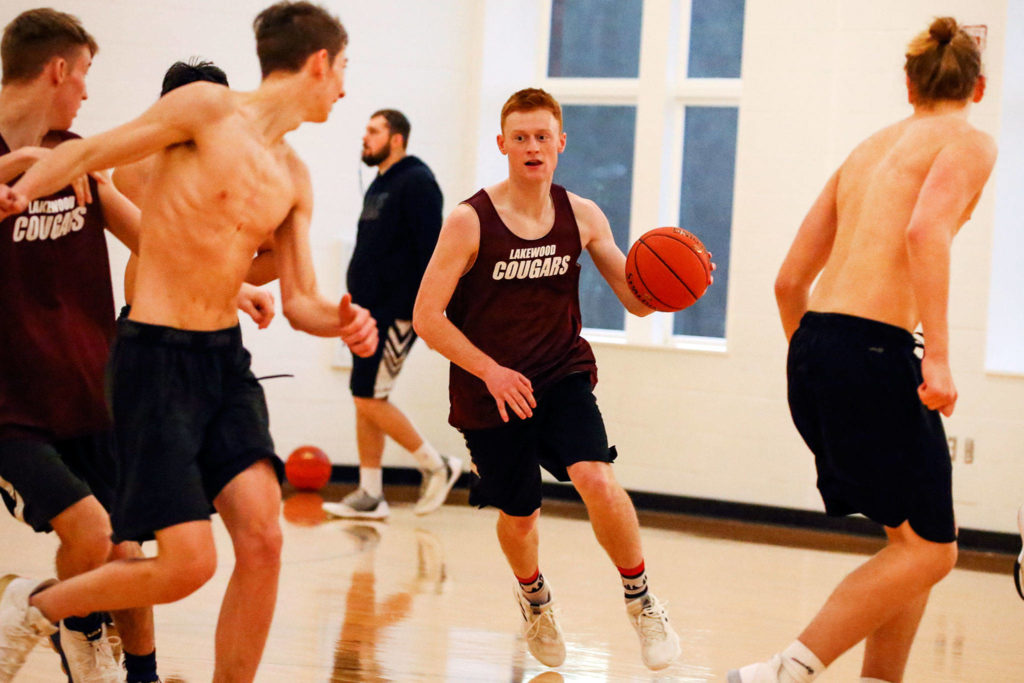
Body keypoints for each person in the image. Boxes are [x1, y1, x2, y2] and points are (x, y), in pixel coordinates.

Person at [0, 3, 376, 681]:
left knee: (263, 536)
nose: (344, 88)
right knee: (188, 564)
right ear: (318, 62)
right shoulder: (205, 108)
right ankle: (38, 603)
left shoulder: (295, 178)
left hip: (224, 363)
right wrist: (24, 185)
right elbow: (92, 153)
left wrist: (343, 320)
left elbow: (300, 301)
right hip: (155, 358)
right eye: (343, 69)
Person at [729, 17, 996, 683]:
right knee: (933, 552)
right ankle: (782, 671)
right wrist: (935, 357)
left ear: (908, 85)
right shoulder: (969, 141)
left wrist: (817, 363)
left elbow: (789, 280)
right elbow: (926, 231)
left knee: (909, 543)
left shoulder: (868, 147)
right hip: (873, 351)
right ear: (980, 88)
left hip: (817, 342)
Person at [413, 87, 687, 671]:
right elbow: (425, 317)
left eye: (542, 137)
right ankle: (535, 598)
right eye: (520, 137)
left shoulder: (582, 215)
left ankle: (641, 600)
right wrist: (489, 369)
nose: (532, 147)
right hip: (490, 388)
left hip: (560, 372)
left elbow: (636, 302)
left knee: (597, 478)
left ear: (560, 143)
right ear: (502, 145)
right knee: (521, 517)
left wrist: (679, 282)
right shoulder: (470, 221)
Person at [0, 9, 158, 682]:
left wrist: (239, 275)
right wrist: (17, 170)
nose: (88, 91)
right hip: (12, 403)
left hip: (91, 387)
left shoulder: (78, 153)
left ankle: (140, 671)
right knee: (91, 532)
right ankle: (40, 606)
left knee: (128, 550)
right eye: (85, 73)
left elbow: (152, 239)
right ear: (58, 70)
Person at [323, 108, 459, 520]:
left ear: (396, 138)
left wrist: (420, 313)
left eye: (374, 130)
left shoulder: (418, 183)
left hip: (396, 314)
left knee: (369, 396)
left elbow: (432, 254)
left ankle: (437, 465)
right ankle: (370, 493)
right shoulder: (381, 185)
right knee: (364, 397)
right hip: (367, 313)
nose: (365, 137)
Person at [111, 58, 277, 321]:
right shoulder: (134, 170)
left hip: (206, 319)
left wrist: (217, 283)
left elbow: (275, 257)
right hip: (142, 319)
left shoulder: (246, 176)